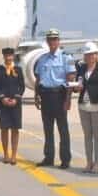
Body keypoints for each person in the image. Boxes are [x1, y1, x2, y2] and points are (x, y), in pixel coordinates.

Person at [34, 29, 75, 169]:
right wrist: (36, 95)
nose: (52, 42)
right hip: (45, 96)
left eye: (55, 39)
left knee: (63, 130)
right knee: (47, 129)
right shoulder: (42, 59)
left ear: (58, 41)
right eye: (50, 39)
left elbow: (70, 79)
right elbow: (38, 78)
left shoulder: (66, 57)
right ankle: (48, 157)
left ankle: (65, 159)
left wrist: (68, 99)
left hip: (60, 96)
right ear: (47, 41)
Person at [76, 42, 98, 174]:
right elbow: (77, 84)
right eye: (87, 54)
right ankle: (89, 162)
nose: (89, 56)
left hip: (97, 106)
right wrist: (76, 88)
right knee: (87, 135)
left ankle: (97, 163)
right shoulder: (81, 68)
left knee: (97, 135)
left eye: (92, 54)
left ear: (96, 55)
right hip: (83, 106)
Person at [0, 47, 25, 165]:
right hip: (3, 103)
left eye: (10, 55)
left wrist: (16, 98)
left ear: (13, 56)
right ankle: (6, 154)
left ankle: (14, 155)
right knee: (4, 128)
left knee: (15, 129)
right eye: (6, 55)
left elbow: (21, 86)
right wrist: (3, 98)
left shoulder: (18, 69)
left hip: (16, 103)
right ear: (4, 56)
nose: (8, 58)